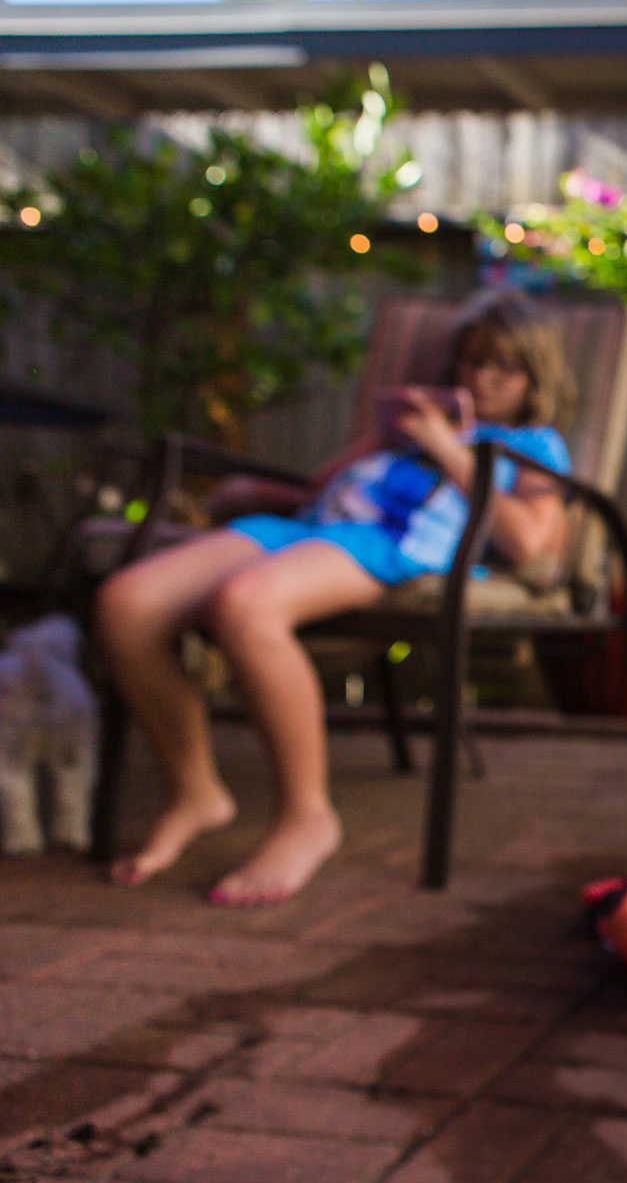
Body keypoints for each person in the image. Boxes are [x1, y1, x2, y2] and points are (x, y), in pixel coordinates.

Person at [97, 290, 574, 906]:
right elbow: (322, 489)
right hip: (310, 528)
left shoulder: (535, 445)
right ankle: (194, 791)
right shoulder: (416, 427)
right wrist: (380, 439)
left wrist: (449, 450)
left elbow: (532, 543)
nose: (482, 377)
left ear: (535, 377)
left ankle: (306, 816)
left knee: (243, 605)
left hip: (393, 544)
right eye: (472, 360)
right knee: (126, 604)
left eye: (503, 366)